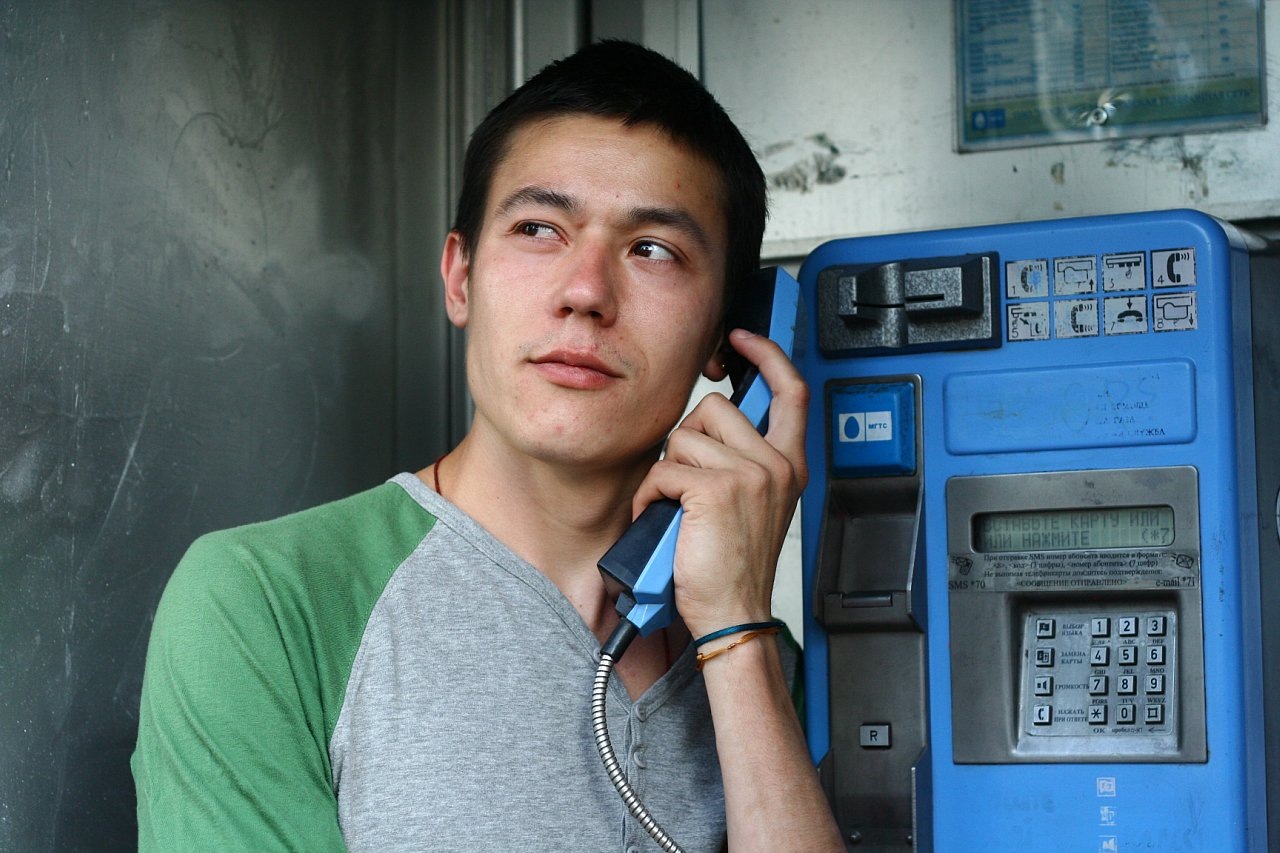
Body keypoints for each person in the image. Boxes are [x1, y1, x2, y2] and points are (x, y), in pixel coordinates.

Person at [132, 39, 842, 852]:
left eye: (653, 249)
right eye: (539, 228)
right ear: (459, 277)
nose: (586, 292)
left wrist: (736, 635)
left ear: (728, 333)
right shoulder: (265, 601)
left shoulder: (763, 667)